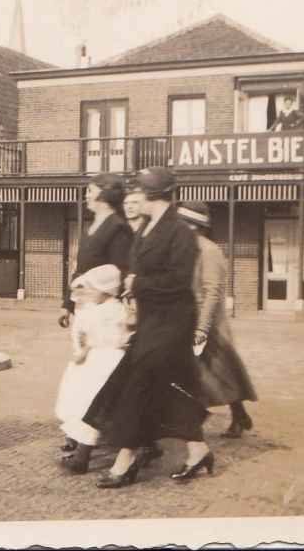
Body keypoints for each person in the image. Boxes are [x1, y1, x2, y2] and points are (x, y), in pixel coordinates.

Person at [83, 167, 212, 488]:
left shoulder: (179, 233)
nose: (131, 198)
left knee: (137, 385)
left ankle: (124, 462)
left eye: (136, 191)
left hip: (172, 323)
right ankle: (198, 450)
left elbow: (179, 282)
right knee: (168, 391)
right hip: (152, 321)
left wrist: (138, 283)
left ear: (152, 195)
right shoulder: (145, 228)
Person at [57, 172, 133, 463]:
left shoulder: (117, 228)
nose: (86, 195)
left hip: (102, 314)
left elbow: (117, 273)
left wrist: (100, 303)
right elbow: (81, 267)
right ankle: (77, 430)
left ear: (103, 194)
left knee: (94, 375)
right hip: (84, 308)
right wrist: (68, 303)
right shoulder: (93, 225)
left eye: (90, 190)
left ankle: (88, 435)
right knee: (80, 373)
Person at [177, 201, 257, 438]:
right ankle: (238, 414)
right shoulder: (185, 248)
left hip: (207, 322)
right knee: (216, 372)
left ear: (193, 226)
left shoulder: (209, 250)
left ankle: (210, 417)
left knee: (216, 370)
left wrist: (202, 327)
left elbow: (212, 291)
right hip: (189, 318)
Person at [55, 265, 130, 468]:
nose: (89, 294)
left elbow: (105, 338)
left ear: (105, 290)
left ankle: (82, 456)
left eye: (93, 290)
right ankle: (82, 446)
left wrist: (85, 348)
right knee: (87, 404)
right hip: (100, 360)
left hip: (103, 362)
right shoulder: (110, 307)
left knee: (89, 404)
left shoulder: (110, 310)